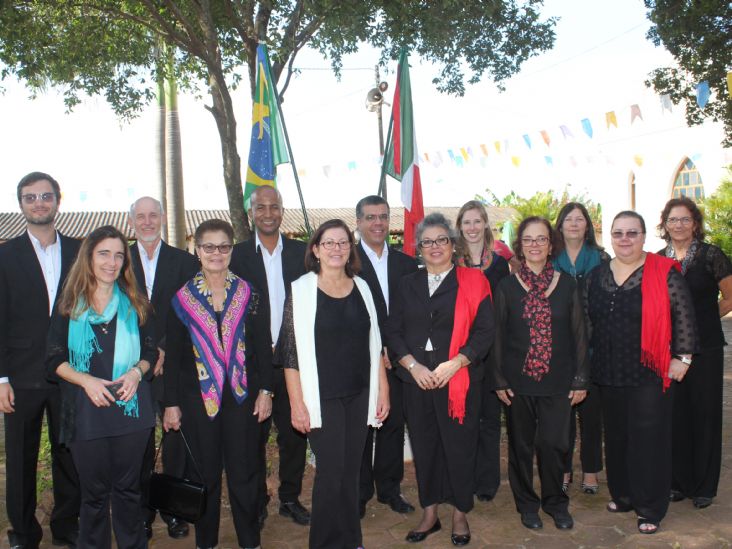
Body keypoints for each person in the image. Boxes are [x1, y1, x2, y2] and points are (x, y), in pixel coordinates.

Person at [276, 219, 389, 549]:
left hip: (360, 395)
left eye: (343, 243)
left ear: (350, 248)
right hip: (320, 398)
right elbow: (289, 354)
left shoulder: (363, 287)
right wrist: (297, 404)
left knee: (352, 472)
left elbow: (375, 344)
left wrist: (384, 389)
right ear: (316, 249)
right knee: (330, 474)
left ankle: (351, 539)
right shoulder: (301, 291)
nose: (337, 249)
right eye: (329, 243)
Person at [385, 213, 494, 546]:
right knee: (425, 446)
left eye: (441, 240)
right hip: (416, 378)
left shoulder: (474, 281)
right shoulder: (406, 284)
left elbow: (485, 330)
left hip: (458, 377)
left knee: (459, 448)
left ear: (452, 244)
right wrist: (412, 366)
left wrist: (457, 363)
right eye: (427, 241)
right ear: (419, 248)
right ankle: (430, 512)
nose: (435, 247)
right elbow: (393, 330)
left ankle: (460, 513)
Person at [163, 219, 273, 549]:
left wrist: (267, 390)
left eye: (223, 246)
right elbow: (174, 358)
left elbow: (262, 346)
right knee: (204, 476)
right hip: (198, 403)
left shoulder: (249, 293)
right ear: (197, 251)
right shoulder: (181, 299)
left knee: (245, 474)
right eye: (208, 246)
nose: (216, 253)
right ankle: (206, 542)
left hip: (243, 398)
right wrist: (171, 403)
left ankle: (250, 541)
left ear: (231, 250)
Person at [46, 225, 158, 549]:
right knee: (93, 496)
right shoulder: (69, 304)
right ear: (89, 258)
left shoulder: (136, 302)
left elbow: (151, 350)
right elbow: (52, 360)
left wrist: (137, 373)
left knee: (128, 491)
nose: (112, 262)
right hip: (85, 411)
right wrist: (86, 380)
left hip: (131, 410)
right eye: (104, 254)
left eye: (119, 255)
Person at [585, 211, 697, 534]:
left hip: (651, 370)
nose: (624, 239)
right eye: (618, 233)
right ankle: (623, 495)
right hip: (609, 370)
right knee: (617, 437)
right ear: (610, 237)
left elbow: (684, 315)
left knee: (649, 440)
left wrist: (684, 358)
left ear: (644, 236)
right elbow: (588, 322)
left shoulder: (664, 272)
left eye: (632, 233)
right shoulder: (597, 275)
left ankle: (649, 507)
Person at [490, 216, 588, 531]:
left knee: (556, 445)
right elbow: (497, 337)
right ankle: (527, 505)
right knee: (520, 447)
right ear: (520, 246)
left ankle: (556, 503)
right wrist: (499, 379)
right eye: (529, 239)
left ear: (550, 245)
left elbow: (579, 335)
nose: (535, 245)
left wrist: (581, 378)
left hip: (560, 382)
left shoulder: (567, 284)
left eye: (541, 239)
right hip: (518, 384)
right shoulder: (506, 286)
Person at [0, 171, 80, 549]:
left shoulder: (81, 250)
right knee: (20, 460)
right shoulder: (4, 255)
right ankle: (23, 532)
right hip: (21, 376)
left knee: (69, 455)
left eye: (45, 196)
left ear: (57, 201)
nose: (38, 203)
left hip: (70, 374)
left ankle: (67, 526)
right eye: (30, 197)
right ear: (21, 205)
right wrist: (0, 378)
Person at [229, 186, 310, 528]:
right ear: (251, 213)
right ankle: (258, 499)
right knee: (253, 439)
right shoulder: (235, 256)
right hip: (251, 366)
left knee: (294, 436)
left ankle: (290, 497)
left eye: (273, 206)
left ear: (281, 211)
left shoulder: (305, 254)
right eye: (260, 206)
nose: (267, 212)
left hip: (295, 362)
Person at [128, 196, 198, 540]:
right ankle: (142, 511)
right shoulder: (118, 260)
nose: (147, 221)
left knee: (175, 442)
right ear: (132, 222)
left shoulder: (185, 261)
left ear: (163, 218)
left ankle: (174, 512)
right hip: (132, 368)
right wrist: (144, 356)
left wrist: (166, 350)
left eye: (152, 215)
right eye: (140, 216)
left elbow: (191, 311)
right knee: (139, 443)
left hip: (175, 364)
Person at [657, 197, 732, 509]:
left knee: (705, 414)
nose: (679, 225)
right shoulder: (659, 259)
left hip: (706, 348)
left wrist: (704, 319)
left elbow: (729, 296)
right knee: (675, 415)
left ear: (695, 223)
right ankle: (677, 482)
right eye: (673, 220)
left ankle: (703, 486)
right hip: (671, 349)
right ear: (665, 224)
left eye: (685, 219)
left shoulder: (711, 255)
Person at [355, 195, 418, 518]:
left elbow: (412, 314)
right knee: (364, 428)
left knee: (393, 426)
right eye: (370, 217)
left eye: (382, 216)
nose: (378, 223)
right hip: (360, 362)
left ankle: (389, 490)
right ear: (359, 222)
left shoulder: (407, 263)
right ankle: (361, 493)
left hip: (399, 360)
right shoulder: (346, 262)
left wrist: (397, 352)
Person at [455, 200, 510, 503]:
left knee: (490, 418)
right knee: (464, 418)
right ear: (460, 227)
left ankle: (487, 481)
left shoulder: (501, 265)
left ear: (486, 224)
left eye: (478, 222)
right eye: (467, 222)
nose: (473, 228)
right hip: (460, 352)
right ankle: (464, 476)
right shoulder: (451, 261)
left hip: (494, 351)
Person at [553, 202, 609, 495]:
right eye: (568, 219)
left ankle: (590, 471)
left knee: (591, 414)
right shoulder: (550, 258)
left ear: (588, 225)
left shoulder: (601, 258)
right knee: (562, 416)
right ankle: (563, 470)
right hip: (560, 345)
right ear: (560, 225)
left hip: (595, 343)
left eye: (580, 219)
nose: (574, 223)